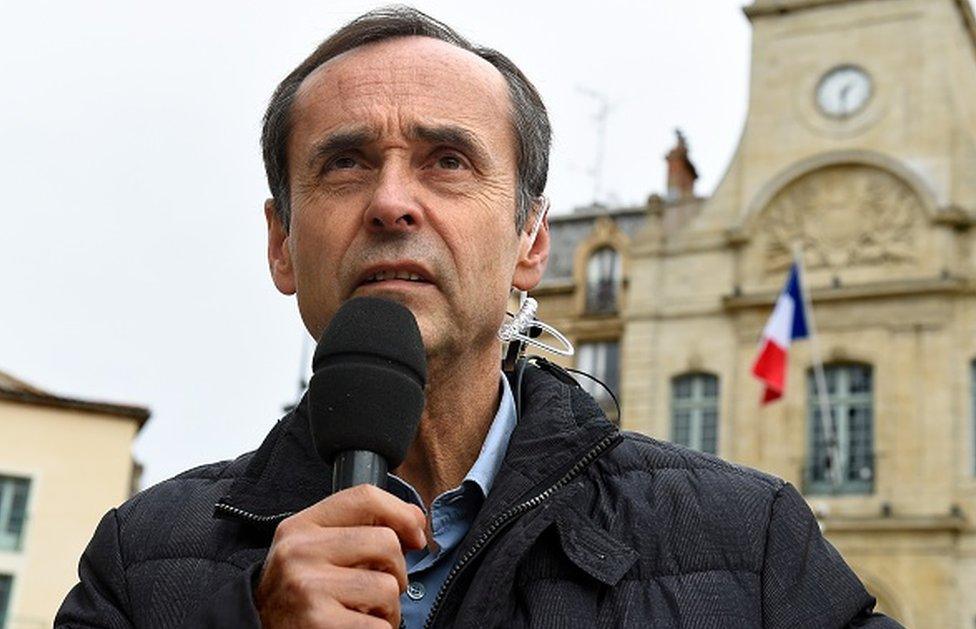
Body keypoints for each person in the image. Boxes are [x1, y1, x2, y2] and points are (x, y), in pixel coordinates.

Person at [57, 6, 901, 628]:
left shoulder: (747, 544)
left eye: (448, 161)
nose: (391, 202)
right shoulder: (139, 565)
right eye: (345, 163)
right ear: (281, 243)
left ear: (531, 238)